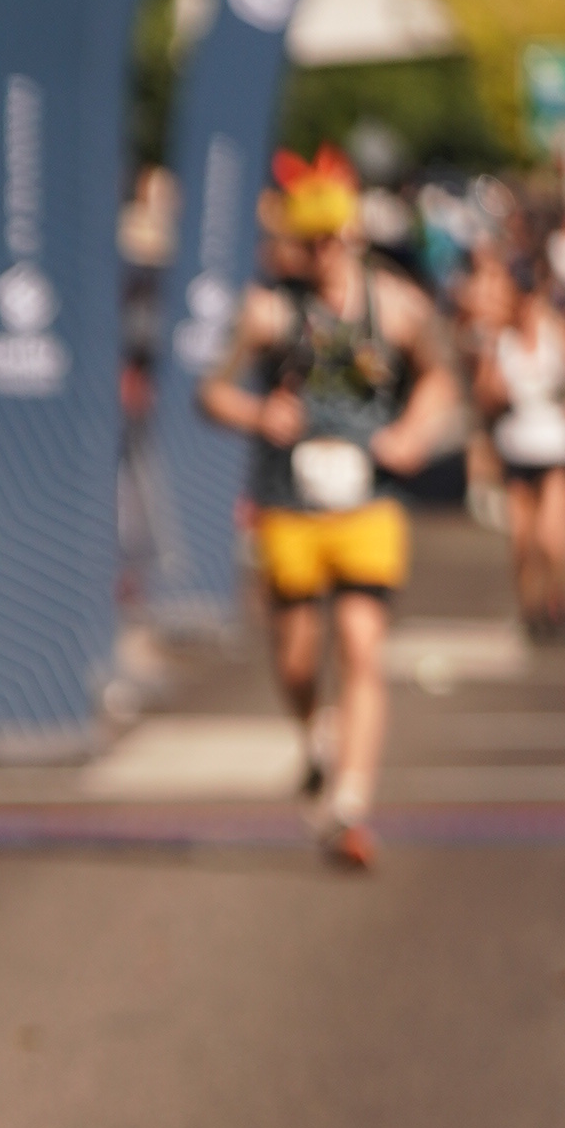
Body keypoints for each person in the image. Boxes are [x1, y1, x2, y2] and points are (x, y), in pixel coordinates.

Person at [200, 150, 456, 873]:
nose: (318, 253)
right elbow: (210, 392)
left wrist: (415, 432)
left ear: (350, 235)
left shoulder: (398, 306)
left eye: (328, 239)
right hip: (289, 502)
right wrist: (258, 413)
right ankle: (315, 729)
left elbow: (440, 377)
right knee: (296, 655)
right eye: (305, 242)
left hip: (370, 499)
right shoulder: (268, 311)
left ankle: (350, 801)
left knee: (362, 645)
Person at [474, 260, 565, 642]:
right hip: (517, 450)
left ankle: (559, 597)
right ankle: (530, 609)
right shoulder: (498, 342)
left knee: (552, 537)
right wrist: (493, 388)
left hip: (557, 450)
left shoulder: (561, 334)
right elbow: (483, 399)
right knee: (521, 540)